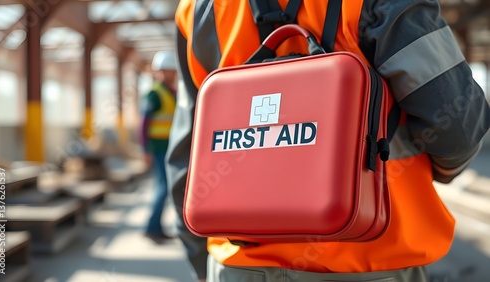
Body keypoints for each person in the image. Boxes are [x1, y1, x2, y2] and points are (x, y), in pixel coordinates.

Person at [166, 1, 490, 281]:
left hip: (236, 265)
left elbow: (188, 154)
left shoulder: (196, 9)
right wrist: (442, 170)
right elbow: (457, 126)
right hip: (371, 261)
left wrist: (199, 261)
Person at [140, 50, 178, 243]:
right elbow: (144, 123)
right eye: (164, 71)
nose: (168, 74)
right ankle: (152, 227)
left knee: (166, 187)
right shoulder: (154, 94)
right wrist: (145, 150)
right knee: (163, 187)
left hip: (171, 147)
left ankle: (156, 227)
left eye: (170, 70)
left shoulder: (173, 93)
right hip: (159, 147)